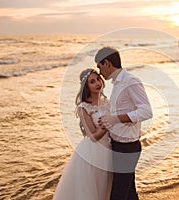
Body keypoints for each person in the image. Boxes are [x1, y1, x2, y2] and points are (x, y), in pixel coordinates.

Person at [95, 47, 153, 200]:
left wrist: (116, 119)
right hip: (117, 145)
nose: (99, 72)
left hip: (128, 148)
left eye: (99, 67)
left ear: (107, 63)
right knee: (129, 193)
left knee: (118, 195)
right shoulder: (116, 84)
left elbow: (147, 111)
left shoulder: (130, 81)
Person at [53, 69, 112, 200]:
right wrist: (106, 129)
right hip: (93, 152)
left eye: (98, 79)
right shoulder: (83, 107)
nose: (97, 83)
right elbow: (92, 137)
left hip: (109, 150)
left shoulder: (107, 102)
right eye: (92, 81)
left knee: (106, 187)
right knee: (92, 187)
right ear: (87, 86)